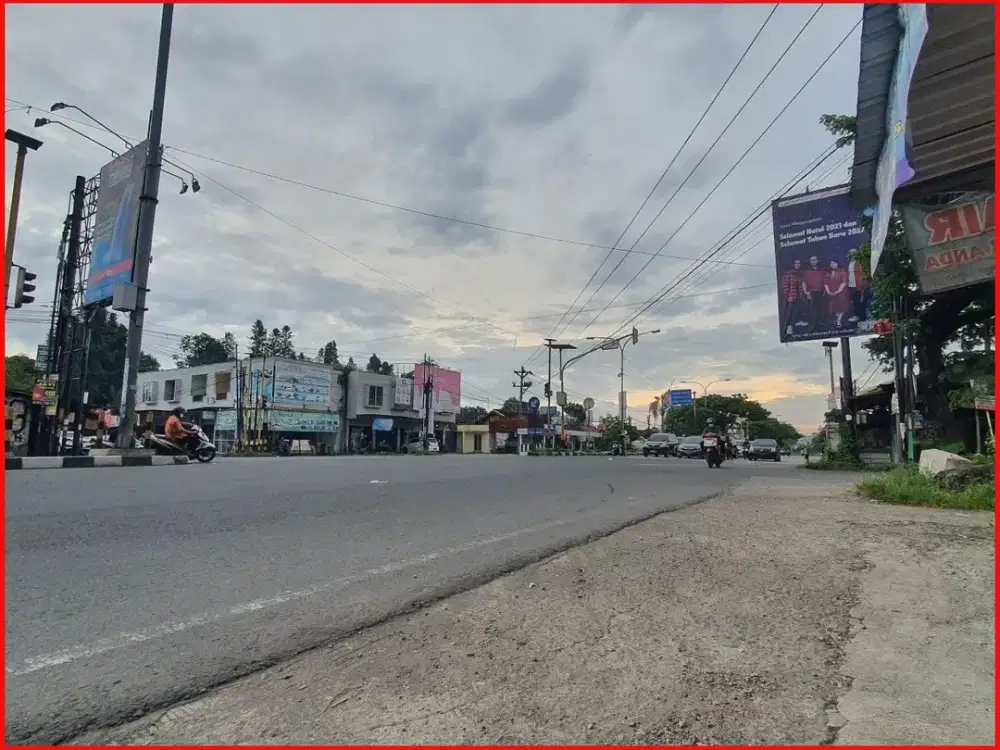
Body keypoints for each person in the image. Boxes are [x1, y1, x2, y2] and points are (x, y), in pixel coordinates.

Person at [801, 255, 825, 331]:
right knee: (812, 309)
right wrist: (806, 292)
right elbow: (804, 282)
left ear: (818, 261)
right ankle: (812, 326)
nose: (813, 261)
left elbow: (825, 281)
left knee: (821, 308)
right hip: (811, 292)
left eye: (815, 260)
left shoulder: (822, 270)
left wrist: (825, 290)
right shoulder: (807, 271)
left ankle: (820, 324)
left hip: (821, 292)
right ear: (810, 262)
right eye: (812, 260)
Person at [846, 250, 871, 324]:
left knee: (861, 301)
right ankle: (858, 316)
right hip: (852, 285)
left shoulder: (860, 262)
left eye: (854, 254)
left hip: (860, 285)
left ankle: (862, 317)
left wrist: (861, 286)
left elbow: (863, 275)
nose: (852, 256)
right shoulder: (850, 263)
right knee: (855, 302)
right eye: (851, 254)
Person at [824, 260, 851, 328]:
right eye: (831, 263)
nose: (833, 264)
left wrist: (838, 291)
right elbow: (825, 283)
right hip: (832, 292)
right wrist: (828, 292)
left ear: (838, 264)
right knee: (835, 306)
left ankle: (839, 321)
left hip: (841, 292)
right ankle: (837, 319)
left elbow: (844, 282)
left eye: (834, 263)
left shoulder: (842, 271)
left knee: (841, 306)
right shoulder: (828, 273)